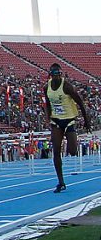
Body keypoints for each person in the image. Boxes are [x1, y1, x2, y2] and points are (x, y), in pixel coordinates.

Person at [44, 63, 91, 193]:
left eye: (60, 74)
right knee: (56, 151)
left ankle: (72, 141)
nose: (58, 76)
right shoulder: (46, 87)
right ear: (51, 75)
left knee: (72, 151)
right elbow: (47, 103)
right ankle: (61, 182)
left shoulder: (67, 86)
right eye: (55, 74)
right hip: (56, 120)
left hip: (69, 120)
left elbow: (80, 102)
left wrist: (86, 121)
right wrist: (48, 117)